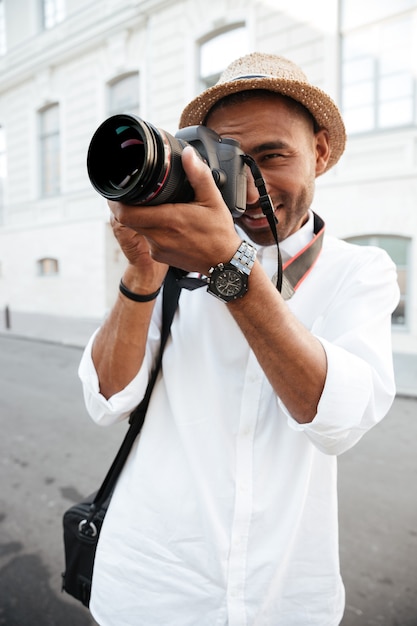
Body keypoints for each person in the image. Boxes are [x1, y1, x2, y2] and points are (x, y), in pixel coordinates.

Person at [78, 52, 399, 625]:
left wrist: (231, 267)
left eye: (273, 155)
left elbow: (338, 420)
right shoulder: (171, 264)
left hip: (284, 596)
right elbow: (106, 398)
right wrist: (142, 271)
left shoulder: (361, 271)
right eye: (229, 158)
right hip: (147, 589)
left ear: (319, 152)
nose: (251, 182)